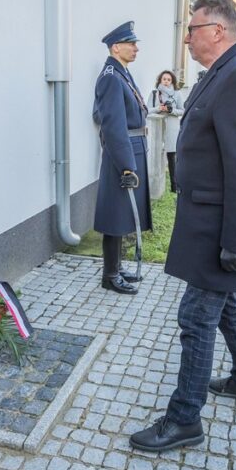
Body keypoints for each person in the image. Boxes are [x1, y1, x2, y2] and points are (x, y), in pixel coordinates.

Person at [130, 0, 236, 453]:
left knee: (195, 316)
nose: (186, 37)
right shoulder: (226, 70)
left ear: (218, 30)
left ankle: (184, 418)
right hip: (210, 218)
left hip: (225, 226)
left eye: (191, 29)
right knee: (225, 302)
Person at [93, 21, 153, 295]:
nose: (136, 48)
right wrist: (127, 166)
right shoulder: (110, 77)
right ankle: (110, 274)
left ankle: (116, 266)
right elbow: (113, 126)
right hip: (123, 152)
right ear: (116, 47)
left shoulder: (121, 73)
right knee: (115, 214)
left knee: (125, 212)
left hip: (133, 147)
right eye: (132, 44)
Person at [147, 69, 185, 192]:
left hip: (172, 128)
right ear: (160, 80)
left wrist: (171, 111)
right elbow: (146, 110)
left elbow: (183, 110)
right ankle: (154, 185)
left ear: (172, 81)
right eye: (164, 79)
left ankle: (174, 186)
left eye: (169, 79)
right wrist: (159, 108)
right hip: (157, 127)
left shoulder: (177, 94)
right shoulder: (154, 94)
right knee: (156, 154)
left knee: (172, 156)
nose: (166, 82)